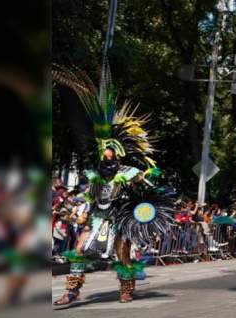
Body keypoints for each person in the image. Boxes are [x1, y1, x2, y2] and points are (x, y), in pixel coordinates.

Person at [52, 65, 171, 305]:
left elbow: (148, 190)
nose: (106, 159)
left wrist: (146, 202)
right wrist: (79, 210)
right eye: (102, 155)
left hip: (118, 219)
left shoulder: (130, 173)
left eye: (109, 155)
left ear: (117, 155)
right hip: (96, 216)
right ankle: (72, 292)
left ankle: (126, 289)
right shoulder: (94, 175)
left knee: (122, 255)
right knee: (78, 250)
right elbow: (88, 197)